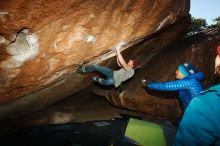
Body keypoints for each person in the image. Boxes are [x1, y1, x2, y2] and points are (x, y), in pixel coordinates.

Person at [174, 45, 220, 146]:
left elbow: (168, 86)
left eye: (179, 70)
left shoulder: (190, 82)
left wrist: (149, 84)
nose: (176, 72)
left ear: (184, 73)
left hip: (196, 113)